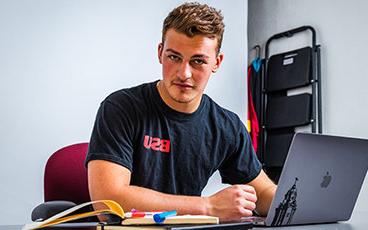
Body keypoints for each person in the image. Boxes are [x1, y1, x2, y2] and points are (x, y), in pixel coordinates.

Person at [85, 2, 276, 222]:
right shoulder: (121, 108)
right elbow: (108, 201)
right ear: (160, 53)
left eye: (198, 61)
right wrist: (208, 207)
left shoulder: (227, 126)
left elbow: (262, 194)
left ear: (217, 62)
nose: (184, 73)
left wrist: (294, 200)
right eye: (174, 57)